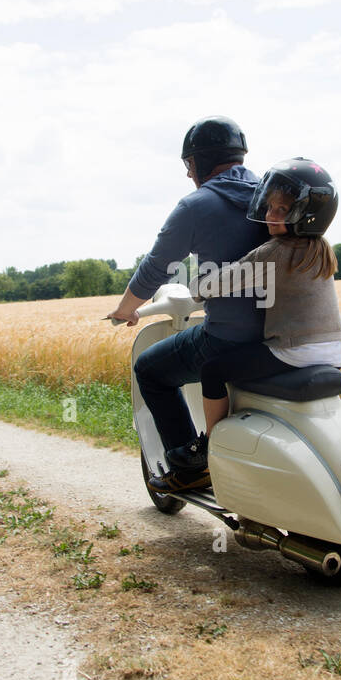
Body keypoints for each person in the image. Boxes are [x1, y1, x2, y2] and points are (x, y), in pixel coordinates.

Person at [106, 116, 268, 492]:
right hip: (281, 336)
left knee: (149, 369)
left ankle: (190, 467)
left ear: (198, 162)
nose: (189, 173)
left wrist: (126, 308)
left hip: (227, 339)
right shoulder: (271, 196)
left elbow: (155, 268)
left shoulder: (197, 205)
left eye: (189, 165)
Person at [178, 158, 341, 479]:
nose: (269, 216)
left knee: (212, 370)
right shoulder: (321, 248)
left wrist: (196, 287)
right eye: (268, 207)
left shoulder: (275, 252)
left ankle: (210, 448)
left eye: (281, 210)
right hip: (334, 352)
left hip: (293, 351)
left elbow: (221, 282)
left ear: (305, 214)